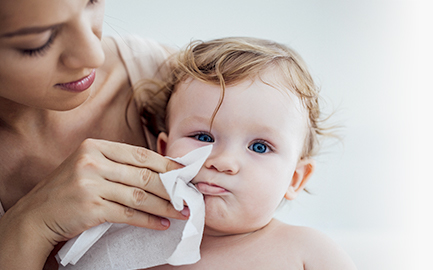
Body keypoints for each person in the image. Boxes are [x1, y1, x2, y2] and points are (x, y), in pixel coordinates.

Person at [0, 0, 189, 269]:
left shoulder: (166, 78)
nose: (94, 56)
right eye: (38, 42)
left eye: (91, 2)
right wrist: (30, 224)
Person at [140, 37, 357, 269]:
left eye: (259, 147)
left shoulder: (309, 252)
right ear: (163, 152)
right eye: (203, 137)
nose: (223, 162)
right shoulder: (137, 247)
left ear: (295, 178)